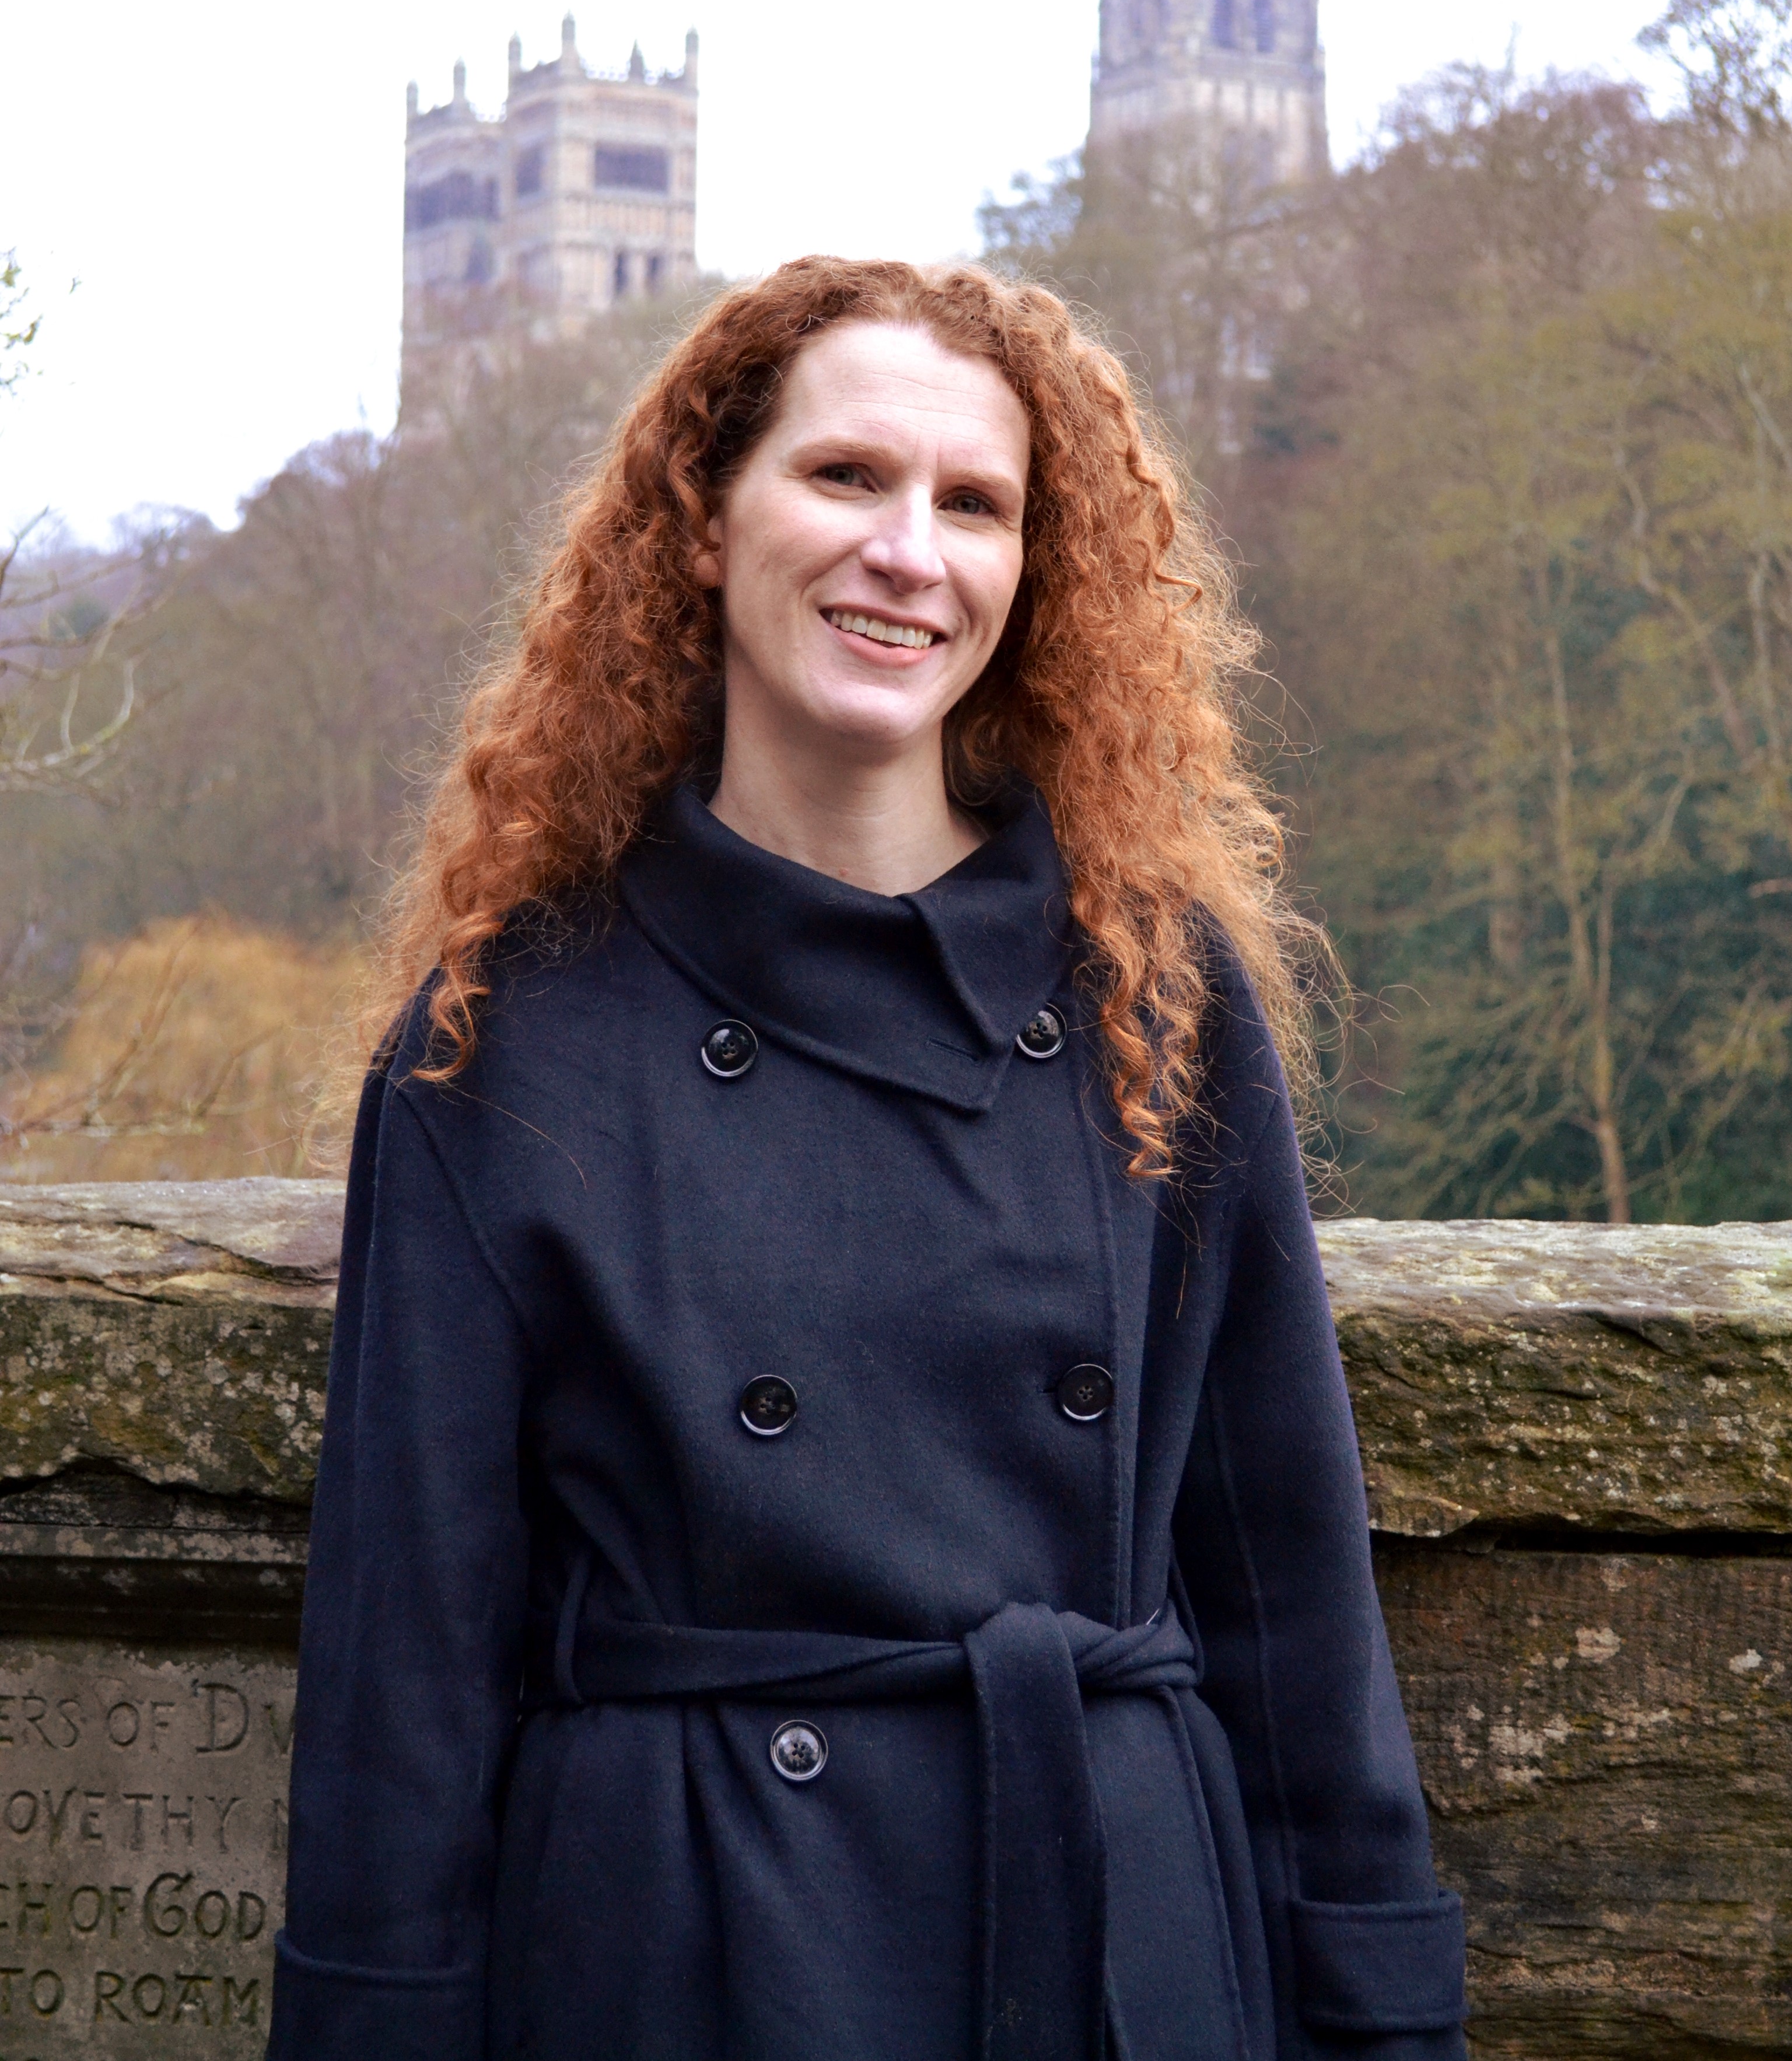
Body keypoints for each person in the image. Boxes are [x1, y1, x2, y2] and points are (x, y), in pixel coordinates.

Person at [269, 258, 1468, 2061]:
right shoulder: (502, 1039)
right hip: (693, 1953)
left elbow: (1289, 1582)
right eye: (845, 478)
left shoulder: (1155, 984)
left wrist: (1382, 2014)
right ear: (701, 522)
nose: (910, 551)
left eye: (974, 504)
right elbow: (405, 1677)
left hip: (1111, 1943)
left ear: (1029, 573)